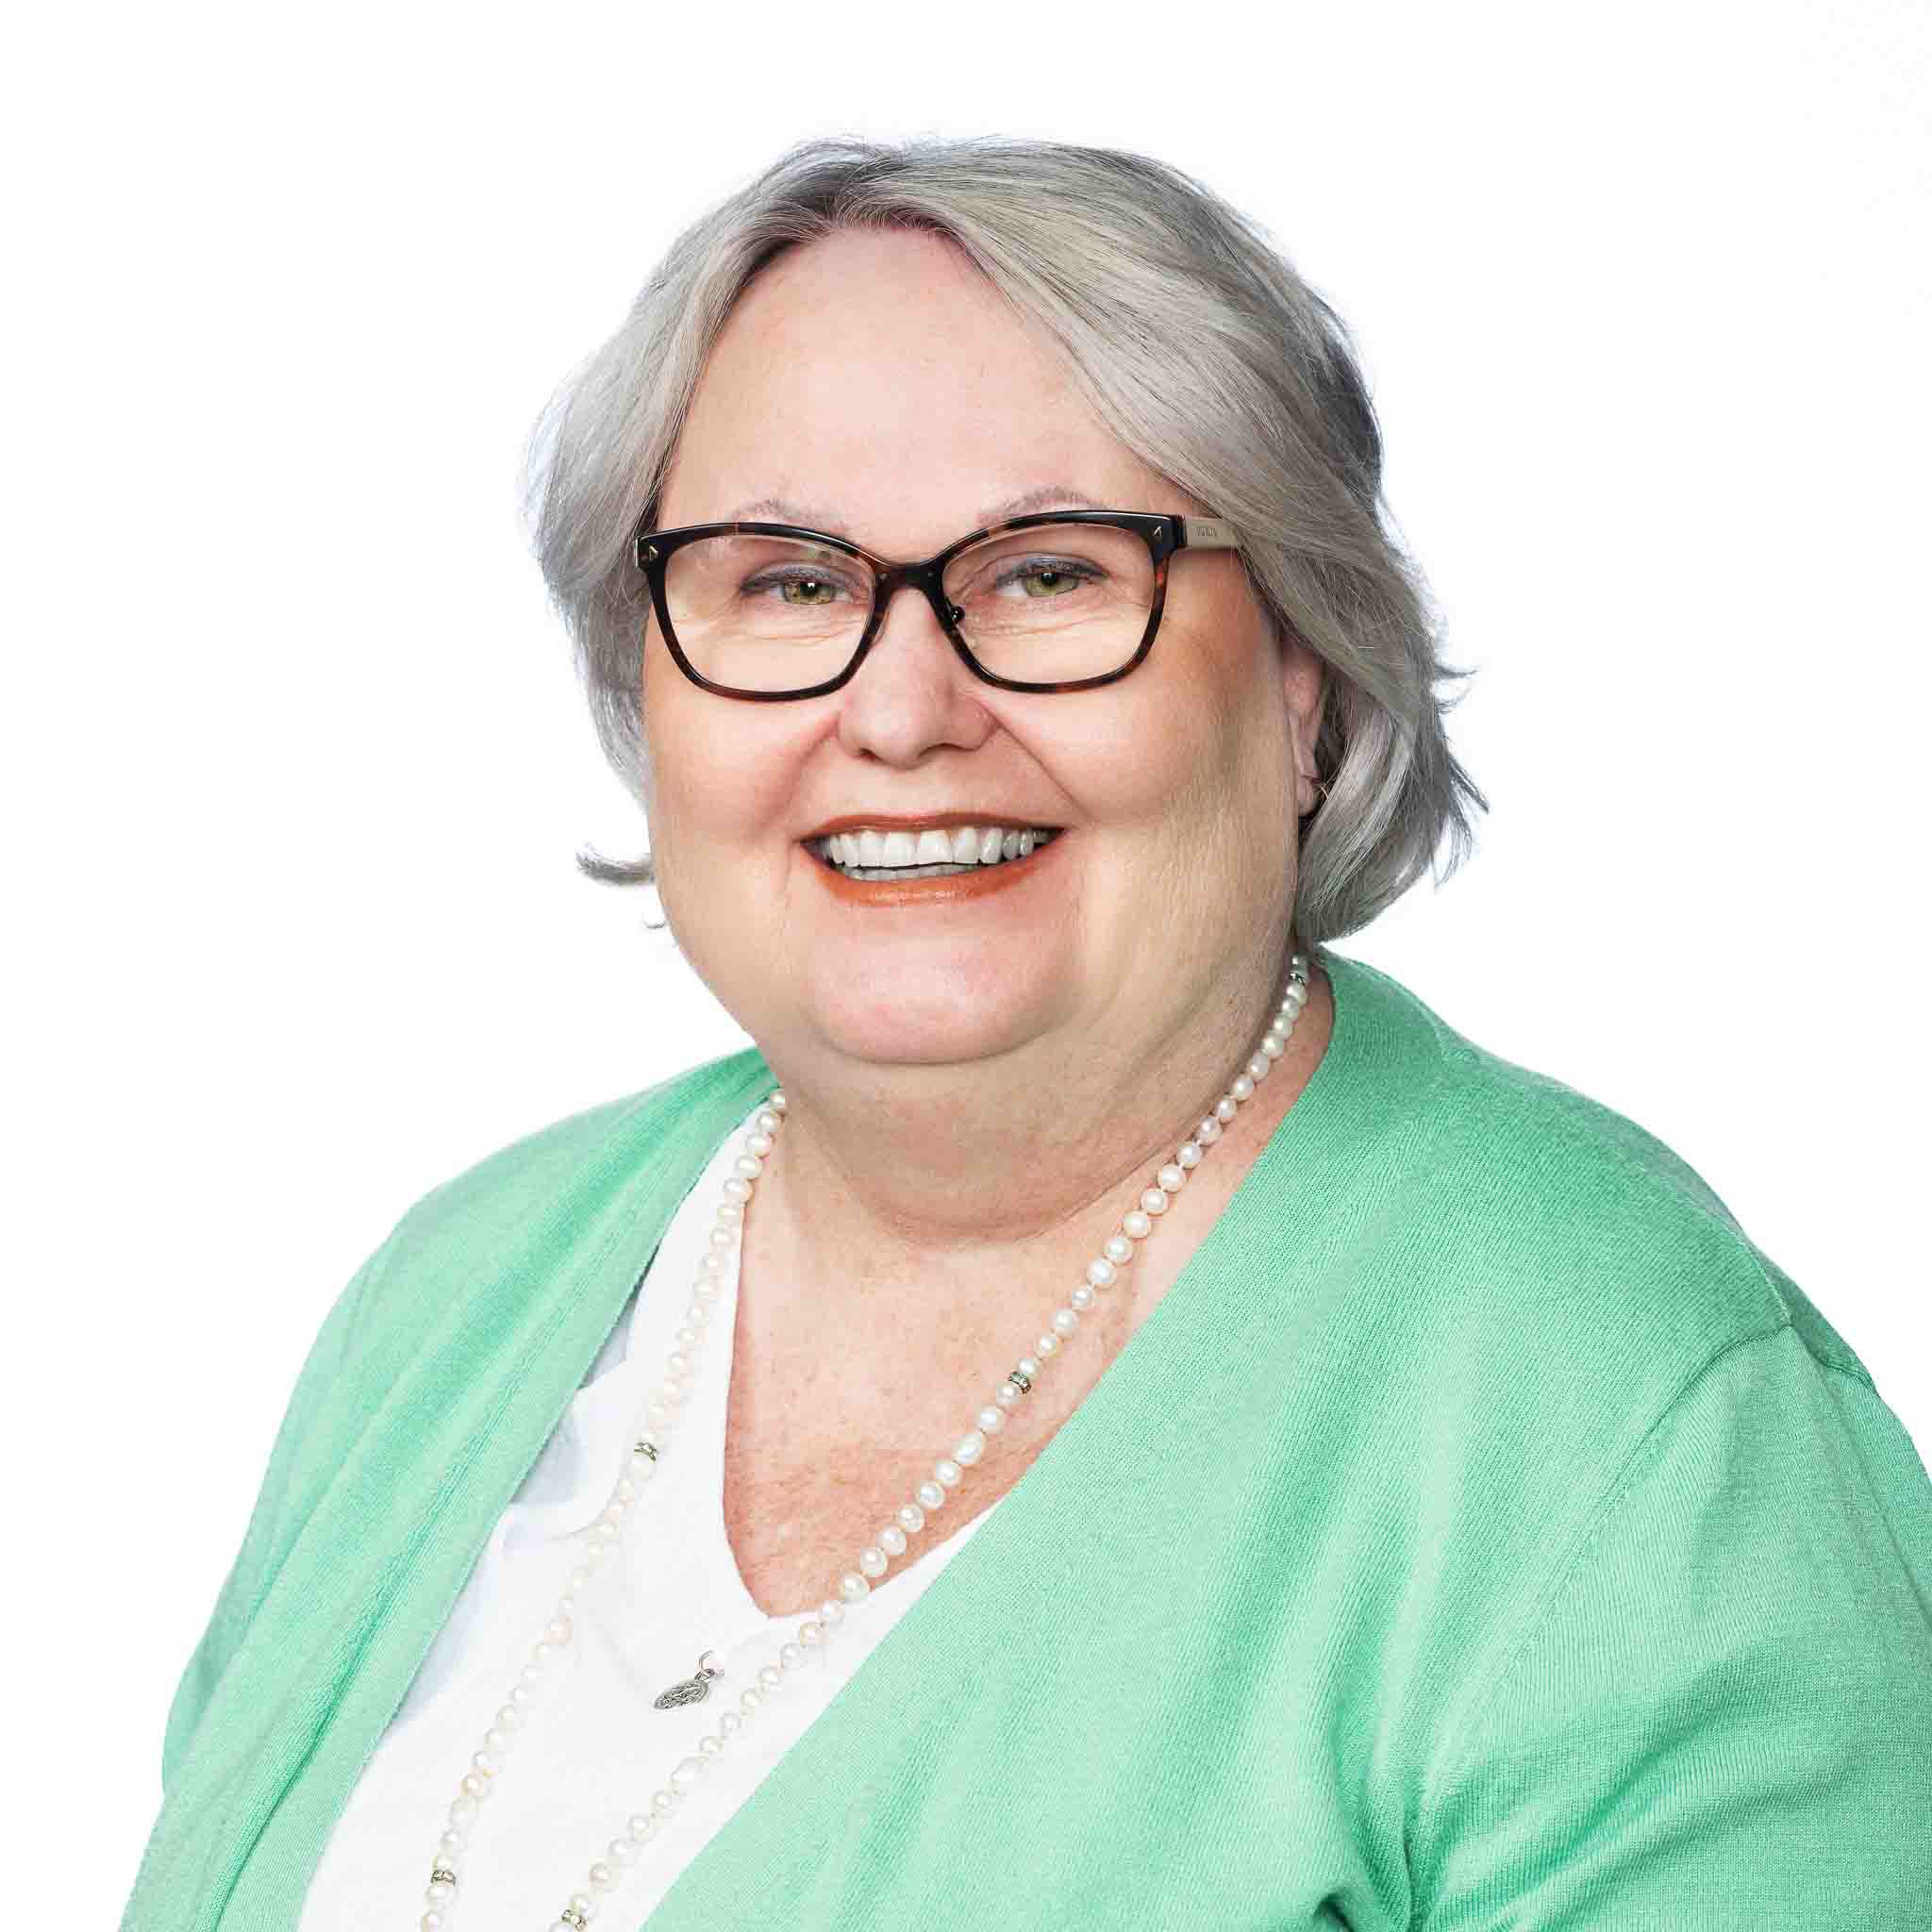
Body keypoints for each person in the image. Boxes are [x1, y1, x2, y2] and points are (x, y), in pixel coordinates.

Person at [122, 136, 1932, 1932]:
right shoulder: (452, 1303)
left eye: (1052, 573)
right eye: (787, 581)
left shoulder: (1633, 1430)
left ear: (1302, 674)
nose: (902, 709)